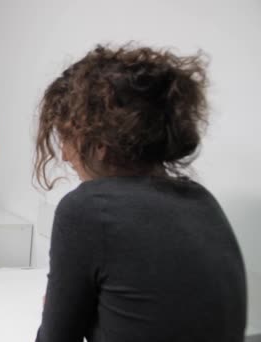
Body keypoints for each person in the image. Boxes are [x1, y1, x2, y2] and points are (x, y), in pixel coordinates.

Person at [34, 44, 247, 342]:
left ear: (97, 141)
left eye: (66, 138)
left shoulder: (87, 207)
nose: (66, 156)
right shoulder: (201, 199)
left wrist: (57, 312)